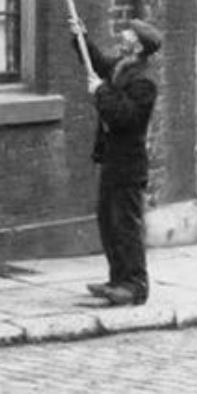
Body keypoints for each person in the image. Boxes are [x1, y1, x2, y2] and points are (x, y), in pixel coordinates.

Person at [72, 16, 161, 308]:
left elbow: (125, 117)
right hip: (112, 160)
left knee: (126, 226)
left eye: (127, 33)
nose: (122, 35)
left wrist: (100, 91)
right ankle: (117, 280)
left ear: (137, 45)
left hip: (129, 164)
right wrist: (81, 36)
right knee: (108, 222)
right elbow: (97, 63)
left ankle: (135, 286)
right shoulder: (123, 69)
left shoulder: (144, 82)